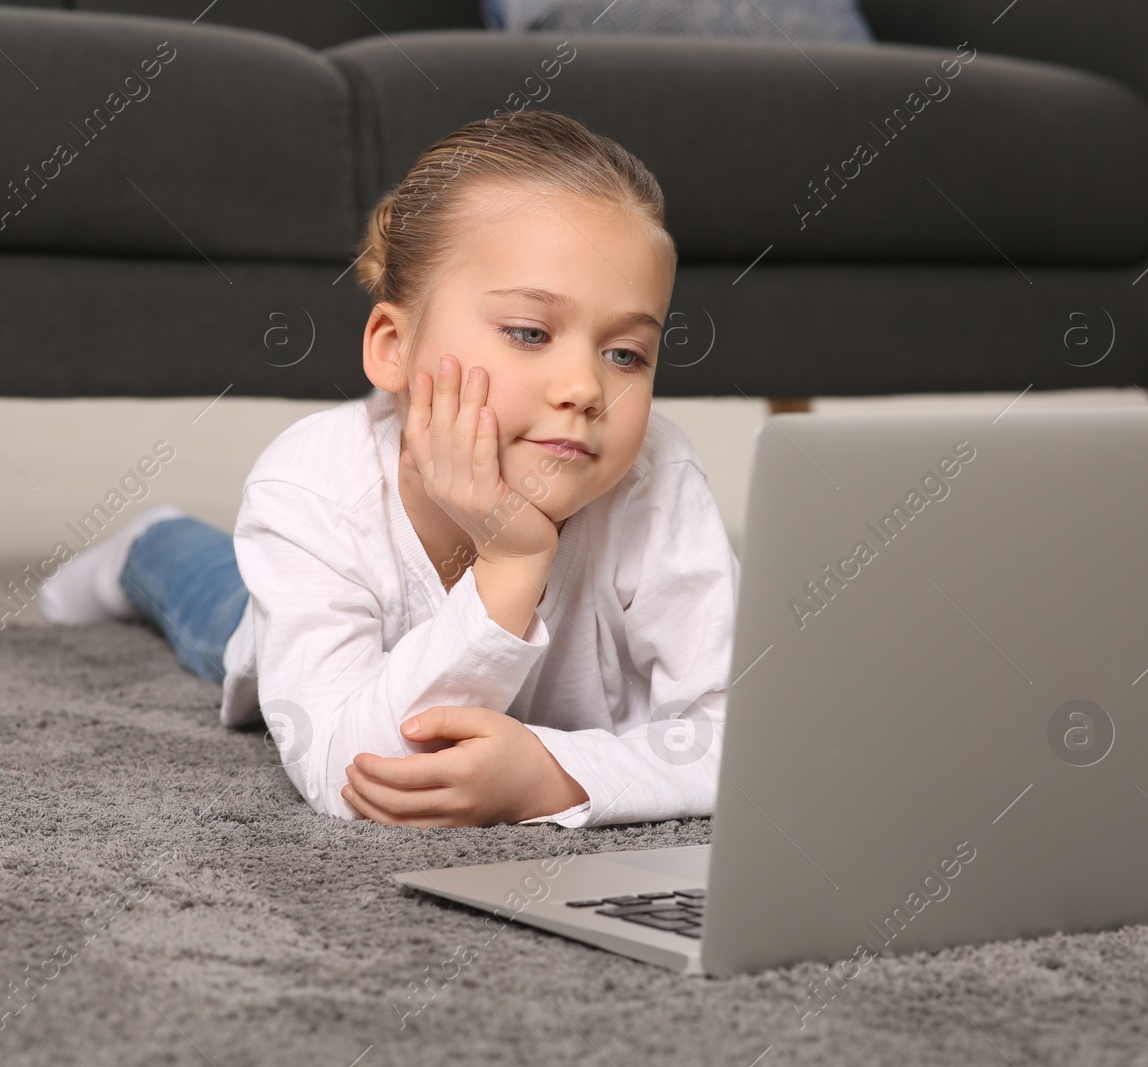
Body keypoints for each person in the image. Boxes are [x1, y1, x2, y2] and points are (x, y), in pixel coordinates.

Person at [39, 108, 740, 828]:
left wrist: (551, 775)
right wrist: (509, 562)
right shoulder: (310, 486)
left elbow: (744, 740)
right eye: (529, 333)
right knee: (211, 602)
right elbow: (354, 770)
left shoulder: (657, 479)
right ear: (392, 347)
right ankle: (145, 542)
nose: (587, 389)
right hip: (292, 619)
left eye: (625, 353)